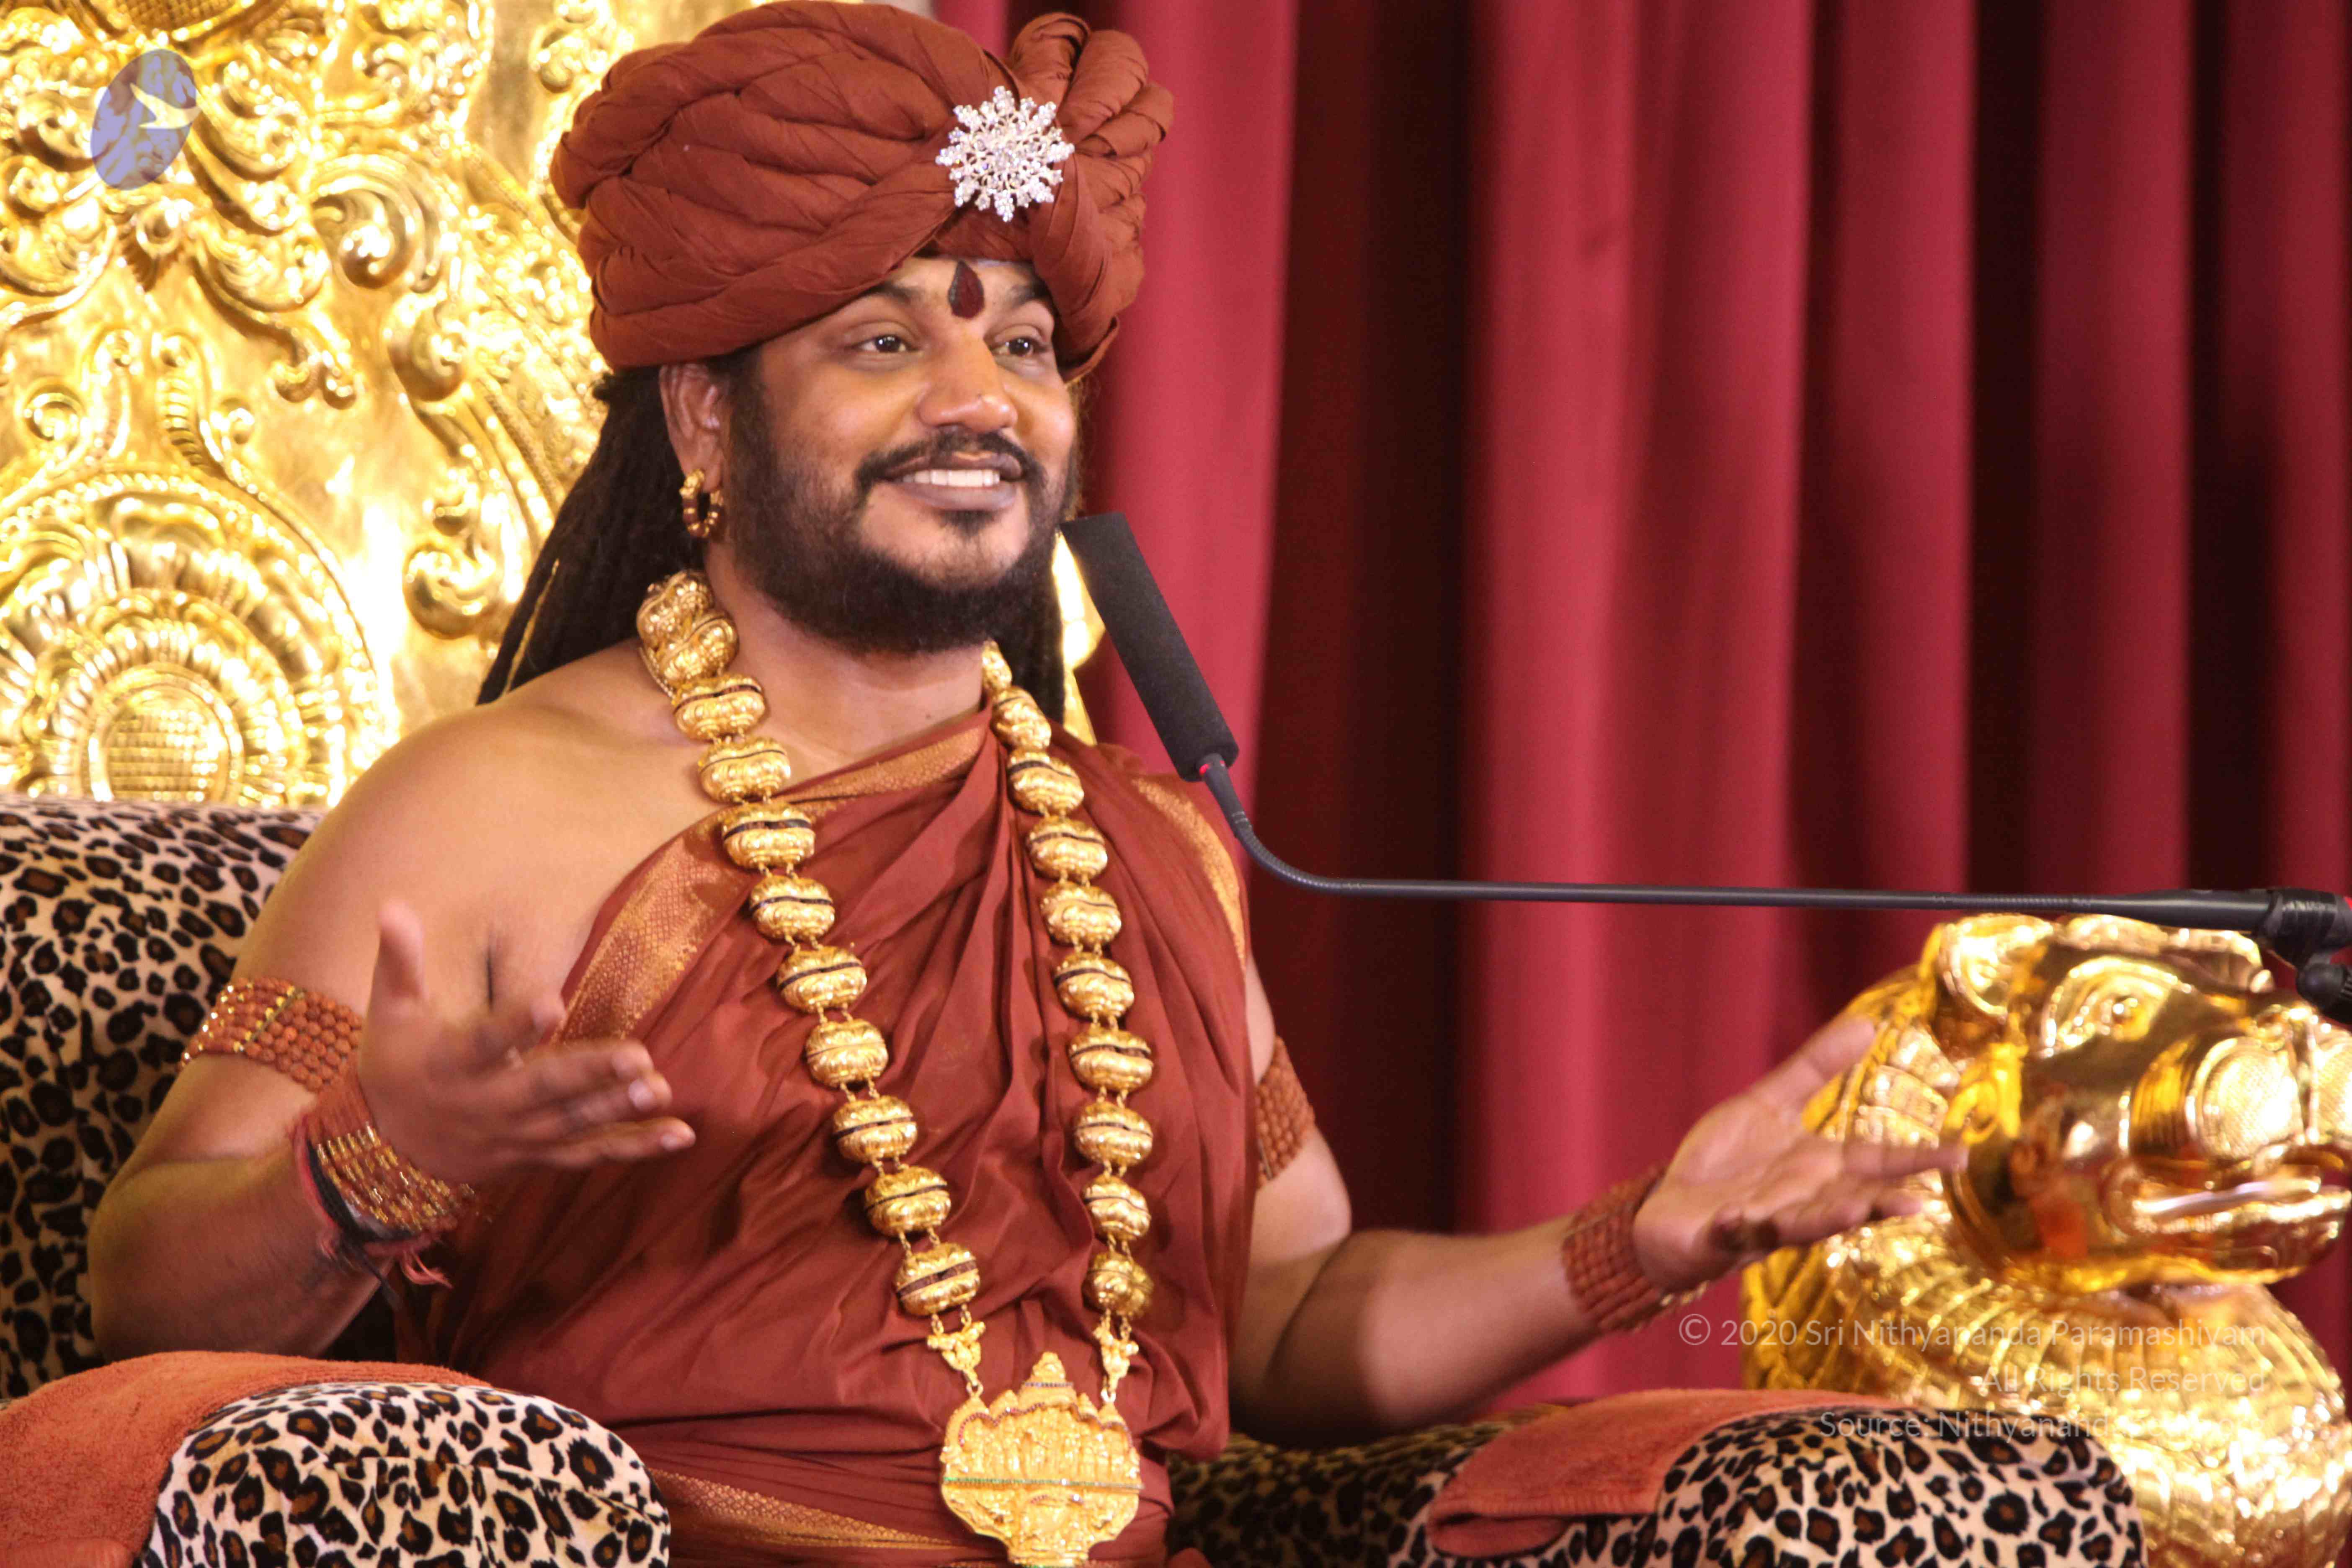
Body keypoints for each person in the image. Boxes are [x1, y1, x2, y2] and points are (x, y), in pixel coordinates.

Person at [81, 5, 2142, 1566]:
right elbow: (138, 1290)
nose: (980, 400)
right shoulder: (486, 805)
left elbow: (1297, 1318)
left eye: (1023, 348)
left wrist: (1643, 1245)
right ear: (704, 415)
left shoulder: (1140, 844)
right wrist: (383, 1165)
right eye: (885, 344)